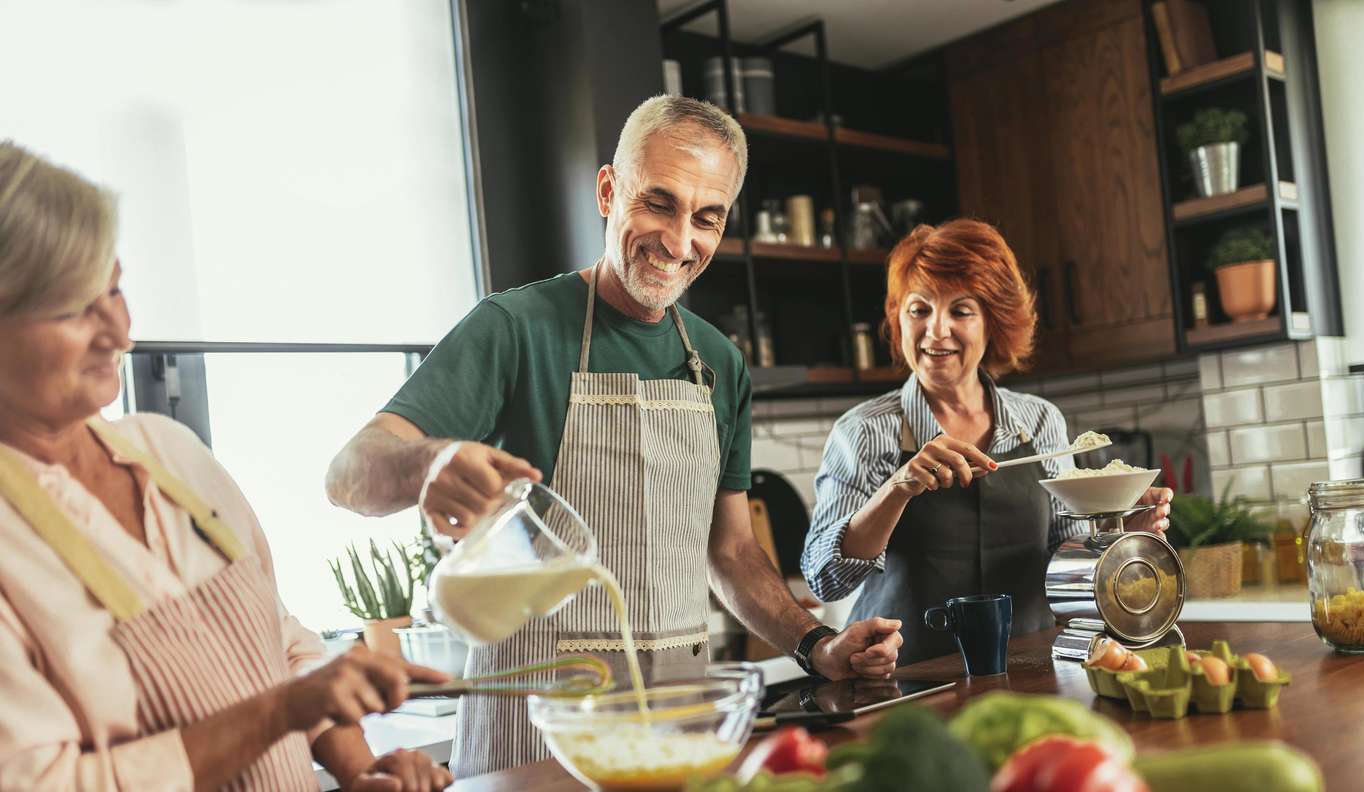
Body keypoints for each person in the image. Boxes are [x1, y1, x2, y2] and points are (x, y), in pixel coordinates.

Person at [325, 95, 903, 776]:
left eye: (706, 218)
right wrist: (431, 460)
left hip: (677, 719)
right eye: (659, 203)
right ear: (608, 189)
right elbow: (348, 475)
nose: (680, 242)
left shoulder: (718, 361)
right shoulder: (515, 327)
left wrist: (816, 646)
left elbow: (731, 550)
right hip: (537, 726)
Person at [0, 140, 454, 792]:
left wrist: (361, 769)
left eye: (116, 289)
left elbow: (282, 646)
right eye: (74, 307)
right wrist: (278, 712)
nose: (118, 333)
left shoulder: (166, 453)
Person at [801, 219, 1173, 667]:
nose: (936, 331)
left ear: (992, 322)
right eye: (919, 310)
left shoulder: (1038, 421)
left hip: (1032, 669)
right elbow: (824, 579)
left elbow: (1068, 562)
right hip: (911, 681)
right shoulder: (863, 431)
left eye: (960, 311)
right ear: (898, 319)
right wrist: (898, 487)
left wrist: (1121, 535)